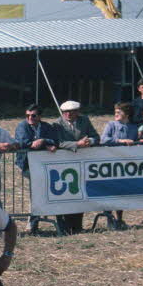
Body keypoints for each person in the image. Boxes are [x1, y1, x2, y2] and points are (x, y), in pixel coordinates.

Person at [53, 100, 100, 234]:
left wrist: (89, 141)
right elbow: (59, 142)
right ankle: (64, 226)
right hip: (63, 165)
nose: (67, 114)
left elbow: (96, 136)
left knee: (80, 193)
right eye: (65, 112)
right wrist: (77, 144)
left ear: (77, 112)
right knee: (65, 195)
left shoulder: (84, 121)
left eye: (71, 112)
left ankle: (77, 226)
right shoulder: (57, 124)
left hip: (82, 164)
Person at [12, 105, 57, 232]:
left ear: (40, 116)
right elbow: (23, 142)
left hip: (43, 165)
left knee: (39, 193)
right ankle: (32, 223)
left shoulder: (47, 127)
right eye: (27, 115)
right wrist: (44, 144)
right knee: (36, 192)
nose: (30, 118)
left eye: (33, 115)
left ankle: (34, 221)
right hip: (26, 165)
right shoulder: (22, 126)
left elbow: (55, 140)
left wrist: (43, 141)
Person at [100, 102, 141, 230]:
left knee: (121, 190)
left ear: (127, 114)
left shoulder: (134, 127)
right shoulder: (111, 125)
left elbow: (137, 141)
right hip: (110, 162)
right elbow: (103, 139)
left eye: (119, 112)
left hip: (125, 164)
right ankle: (109, 218)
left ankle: (119, 218)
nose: (116, 114)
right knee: (109, 189)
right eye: (115, 112)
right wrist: (120, 141)